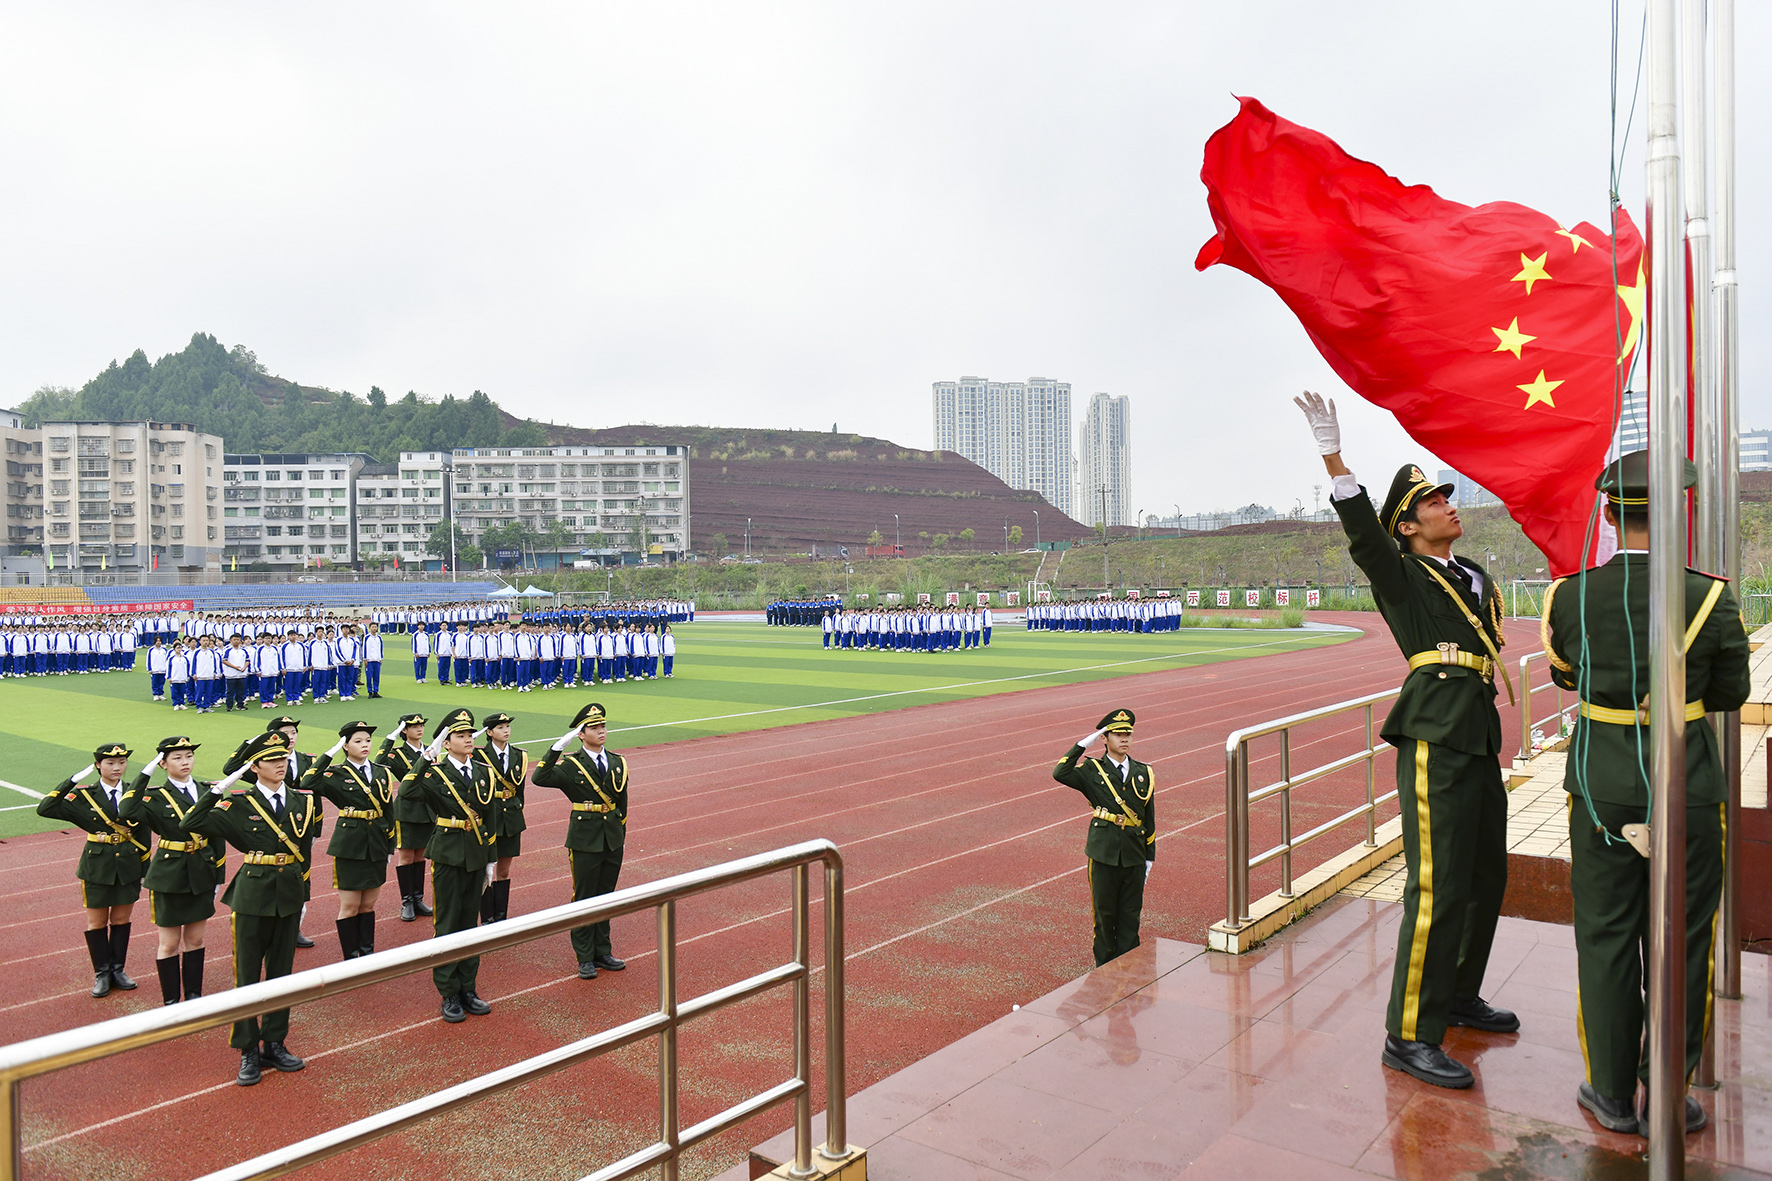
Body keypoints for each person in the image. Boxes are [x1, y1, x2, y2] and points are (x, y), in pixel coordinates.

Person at [1296, 390, 1515, 1090]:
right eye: (1438, 501)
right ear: (1410, 525)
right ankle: (1409, 1033)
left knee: (1485, 877)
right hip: (1431, 735)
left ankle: (1455, 993)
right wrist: (1335, 457)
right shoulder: (1403, 572)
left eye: (1450, 497)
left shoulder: (1471, 575)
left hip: (1476, 733)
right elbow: (1365, 536)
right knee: (1438, 882)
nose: (1453, 505)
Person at [1542, 451, 1752, 1135]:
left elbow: (1564, 676)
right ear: (1676, 514)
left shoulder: (1568, 594)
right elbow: (1732, 691)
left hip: (1601, 785)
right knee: (1685, 940)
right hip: (1685, 780)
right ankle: (1666, 1087)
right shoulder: (1711, 595)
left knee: (1605, 936)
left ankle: (1608, 1091)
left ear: (1607, 513)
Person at [182, 731, 314, 1085]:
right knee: (247, 975)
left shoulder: (304, 803)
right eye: (272, 761)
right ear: (254, 767)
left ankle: (274, 1041)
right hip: (253, 894)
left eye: (283, 760)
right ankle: (248, 1050)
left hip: (288, 892)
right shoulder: (238, 804)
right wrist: (218, 788)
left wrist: (304, 891)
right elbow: (190, 824)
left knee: (281, 974)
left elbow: (305, 850)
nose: (280, 765)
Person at [397, 710, 498, 1022]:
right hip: (448, 854)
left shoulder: (483, 772)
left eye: (470, 734)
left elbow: (490, 814)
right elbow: (406, 791)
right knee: (447, 924)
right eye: (460, 735)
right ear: (447, 741)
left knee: (470, 924)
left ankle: (468, 987)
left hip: (477, 854)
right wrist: (427, 756)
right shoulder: (435, 774)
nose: (468, 739)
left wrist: (492, 857)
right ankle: (449, 991)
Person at [37, 742, 150, 997]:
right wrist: (71, 781)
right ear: (98, 765)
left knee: (121, 920)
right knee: (97, 921)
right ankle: (101, 973)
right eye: (110, 763)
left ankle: (118, 970)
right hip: (97, 866)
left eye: (121, 762)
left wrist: (145, 868)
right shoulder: (84, 795)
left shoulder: (135, 792)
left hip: (128, 864)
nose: (117, 767)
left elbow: (143, 832)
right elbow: (45, 809)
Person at [122, 737, 225, 1005]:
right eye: (177, 757)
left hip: (202, 871)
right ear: (163, 763)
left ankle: (193, 996)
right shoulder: (154, 796)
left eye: (189, 756)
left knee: (195, 939)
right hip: (169, 875)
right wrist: (145, 773)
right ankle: (170, 1000)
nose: (185, 762)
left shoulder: (208, 791)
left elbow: (217, 837)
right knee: (169, 944)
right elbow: (126, 810)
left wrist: (219, 877)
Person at [532, 703, 628, 979]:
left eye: (603, 727)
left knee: (606, 896)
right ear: (581, 733)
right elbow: (540, 777)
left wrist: (621, 835)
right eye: (594, 728)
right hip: (585, 839)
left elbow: (622, 803)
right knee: (584, 897)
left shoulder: (618, 761)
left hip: (611, 839)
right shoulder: (571, 765)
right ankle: (585, 956)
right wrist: (557, 747)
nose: (601, 731)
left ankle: (603, 951)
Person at [1052, 709, 1155, 966]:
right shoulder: (1091, 770)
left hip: (1133, 854)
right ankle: (1106, 973)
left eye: (1127, 734)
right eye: (1117, 734)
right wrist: (1081, 744)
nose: (1124, 739)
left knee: (1131, 917)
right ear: (1104, 739)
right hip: (1103, 853)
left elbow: (1149, 819)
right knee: (1105, 917)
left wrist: (1149, 857)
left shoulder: (1144, 773)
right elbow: (1060, 772)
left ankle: (1129, 972)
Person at [302, 720, 397, 959]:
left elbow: (389, 810)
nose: (365, 745)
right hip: (350, 846)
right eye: (358, 741)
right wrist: (328, 754)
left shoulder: (381, 772)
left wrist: (389, 845)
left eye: (367, 740)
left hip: (376, 841)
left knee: (368, 905)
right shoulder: (336, 773)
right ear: (345, 746)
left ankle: (366, 953)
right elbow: (307, 782)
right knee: (350, 906)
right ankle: (349, 956)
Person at [475, 711, 527, 925]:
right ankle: (487, 917)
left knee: (504, 871)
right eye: (500, 727)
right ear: (489, 732)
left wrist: (517, 811)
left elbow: (520, 791)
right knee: (485, 870)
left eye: (507, 726)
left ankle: (501, 917)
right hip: (490, 817)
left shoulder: (519, 755)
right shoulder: (478, 756)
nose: (506, 730)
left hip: (511, 819)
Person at [384, 711, 436, 923]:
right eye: (414, 726)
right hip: (407, 810)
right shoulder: (398, 753)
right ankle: (406, 901)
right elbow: (380, 761)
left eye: (421, 725)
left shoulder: (432, 749)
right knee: (406, 857)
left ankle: (418, 899)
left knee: (420, 855)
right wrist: (390, 738)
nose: (420, 728)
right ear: (404, 730)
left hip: (428, 809)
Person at [363, 620, 385, 699]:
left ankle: (376, 691)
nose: (374, 628)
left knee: (376, 676)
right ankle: (370, 692)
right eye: (372, 627)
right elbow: (364, 648)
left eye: (375, 627)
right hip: (369, 660)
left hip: (377, 659)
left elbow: (381, 648)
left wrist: (381, 658)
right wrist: (365, 658)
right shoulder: (367, 637)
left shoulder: (379, 637)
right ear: (369, 628)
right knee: (369, 676)